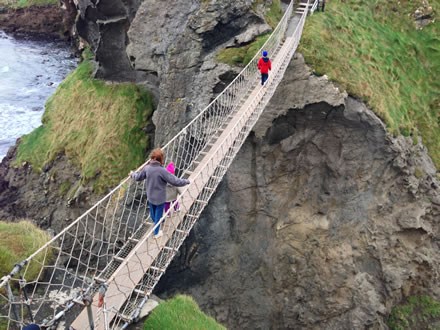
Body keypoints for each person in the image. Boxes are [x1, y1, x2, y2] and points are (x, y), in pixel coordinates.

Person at [130, 149, 190, 238]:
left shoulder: (147, 168)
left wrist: (132, 174)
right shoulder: (162, 171)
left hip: (150, 196)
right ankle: (157, 233)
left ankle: (159, 221)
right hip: (160, 198)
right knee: (158, 216)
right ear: (161, 159)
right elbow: (175, 181)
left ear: (151, 158)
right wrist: (187, 181)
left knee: (153, 214)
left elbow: (138, 177)